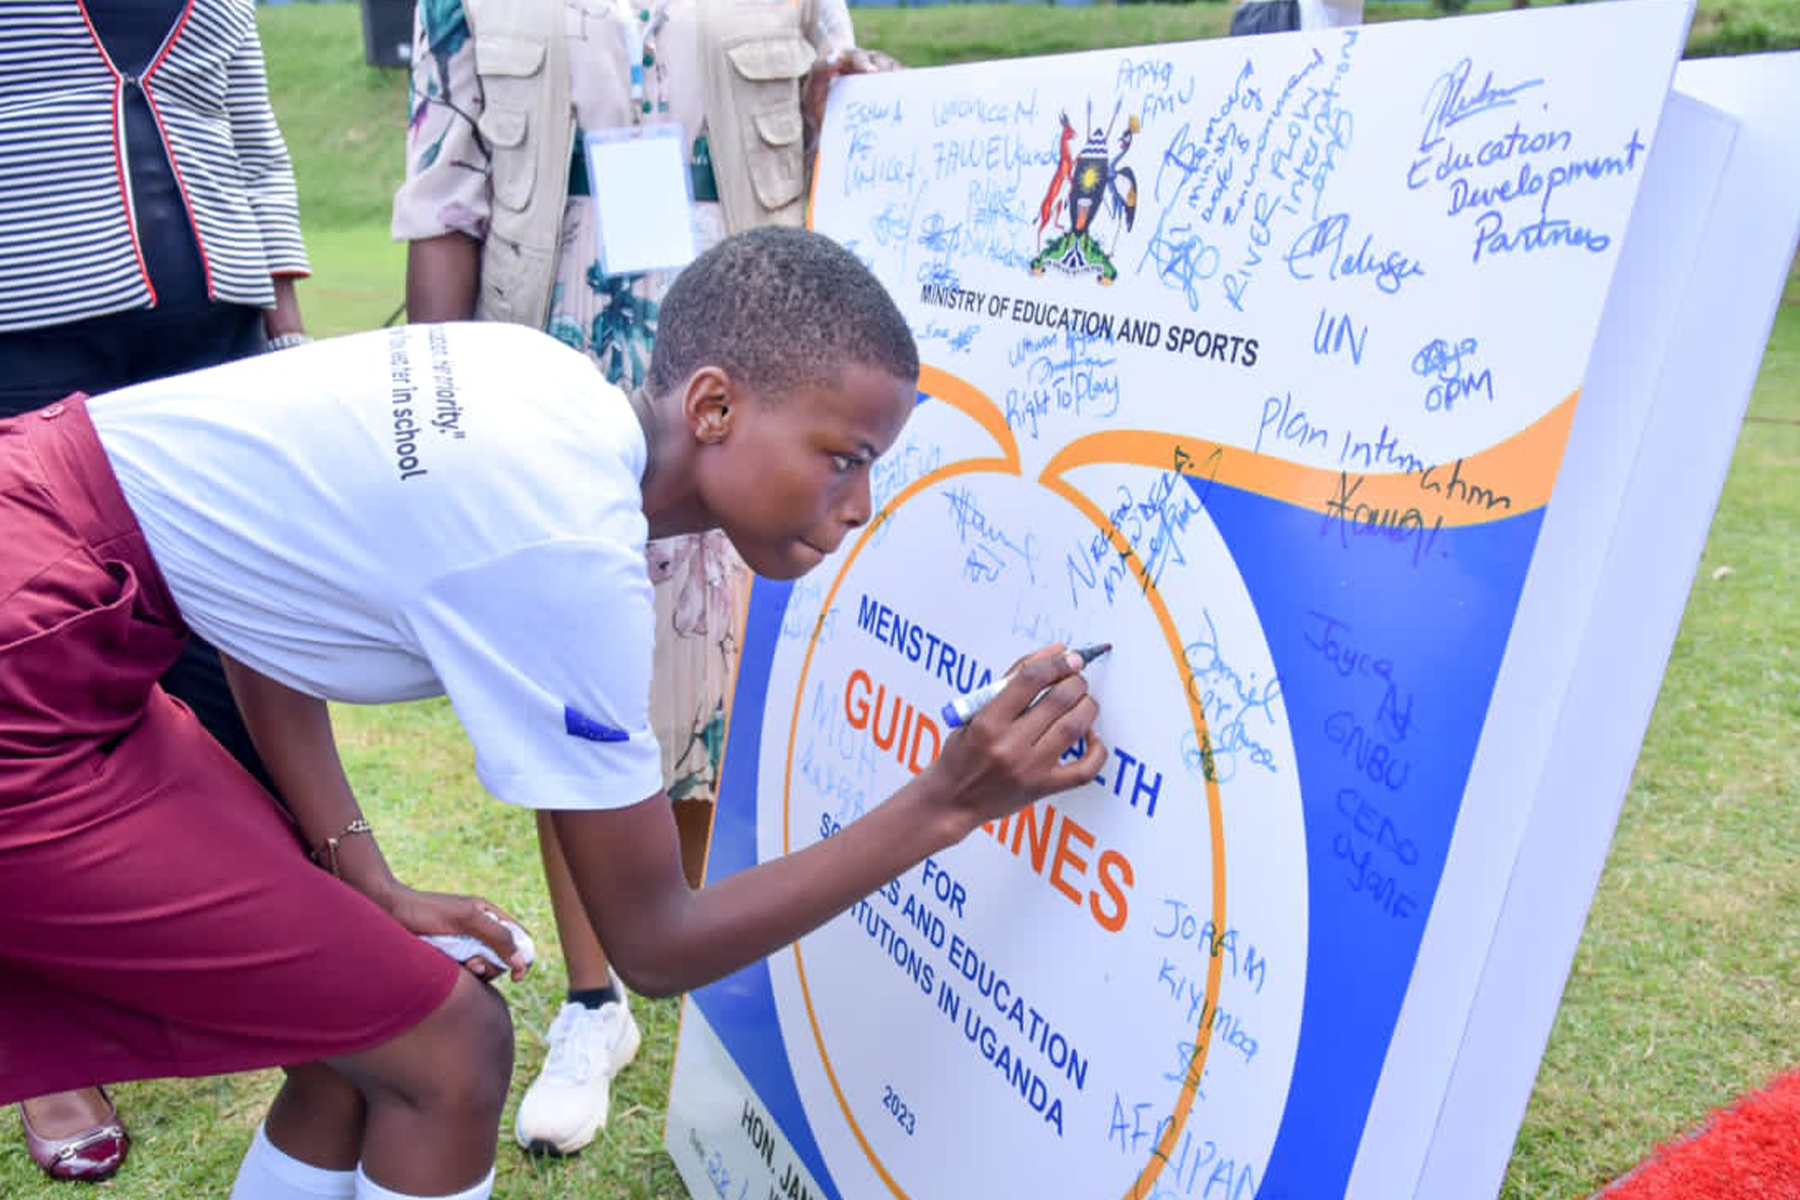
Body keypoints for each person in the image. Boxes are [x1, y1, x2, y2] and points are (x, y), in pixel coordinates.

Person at [0, 225, 1106, 1200]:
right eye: (844, 459)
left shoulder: (544, 379)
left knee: (360, 1035)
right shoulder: (567, 541)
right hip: (32, 653)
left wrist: (360, 875)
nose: (858, 506)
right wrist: (951, 797)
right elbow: (660, 945)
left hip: (59, 576)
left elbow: (262, 594)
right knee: (451, 1051)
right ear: (715, 405)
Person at [392, 0, 894, 1154]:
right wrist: (439, 415)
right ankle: (591, 999)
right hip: (558, 343)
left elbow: (841, 130)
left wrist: (856, 106)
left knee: (725, 676)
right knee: (579, 692)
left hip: (762, 370)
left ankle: (710, 963)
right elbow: (442, 189)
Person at [0, 0, 310, 1181]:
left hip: (212, 356)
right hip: (29, 344)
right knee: (35, 684)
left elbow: (255, 137)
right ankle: (50, 1054)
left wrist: (280, 326)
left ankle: (258, 959)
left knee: (233, 656)